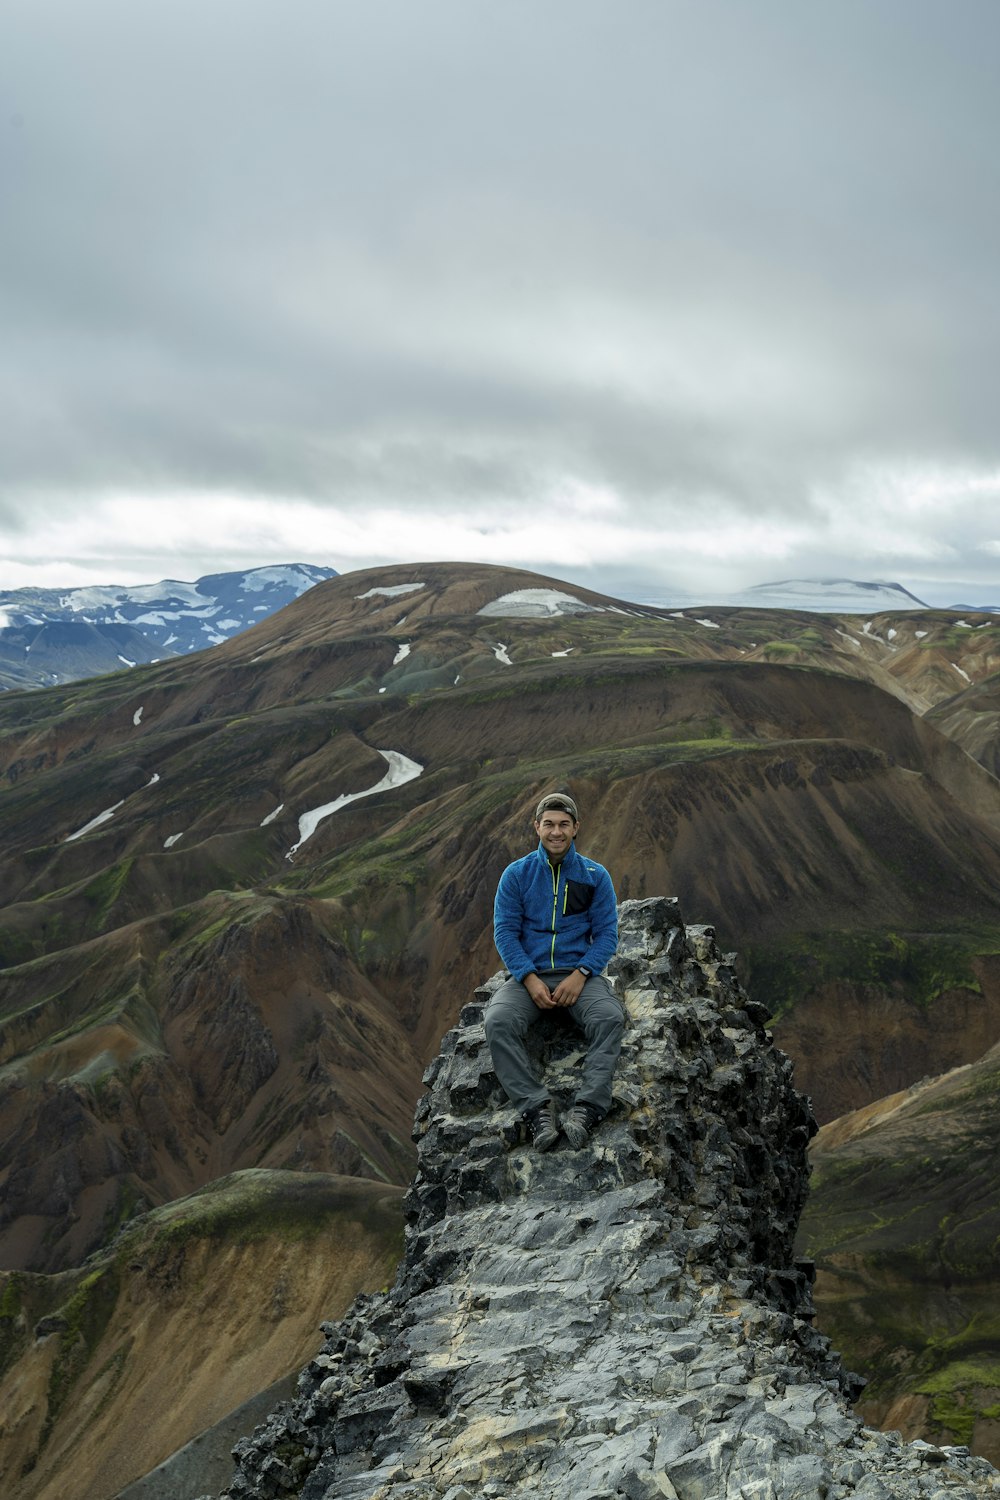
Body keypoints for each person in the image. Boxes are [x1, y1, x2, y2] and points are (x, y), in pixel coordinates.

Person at [485, 792, 623, 1150]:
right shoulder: (516, 875)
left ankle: (589, 1109)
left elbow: (607, 934)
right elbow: (504, 932)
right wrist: (528, 978)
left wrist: (581, 974)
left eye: (564, 824)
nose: (556, 832)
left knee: (608, 1017)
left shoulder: (595, 875)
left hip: (579, 974)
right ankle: (536, 1110)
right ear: (537, 827)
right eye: (549, 824)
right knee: (498, 1021)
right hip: (528, 976)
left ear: (576, 828)